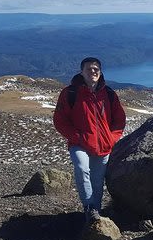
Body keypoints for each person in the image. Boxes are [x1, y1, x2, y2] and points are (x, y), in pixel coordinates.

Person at [53, 57, 126, 224]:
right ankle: (89, 208)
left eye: (96, 69)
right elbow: (60, 120)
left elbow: (119, 119)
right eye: (89, 69)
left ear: (100, 73)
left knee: (98, 181)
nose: (93, 72)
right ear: (81, 72)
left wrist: (112, 138)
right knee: (82, 168)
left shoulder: (108, 94)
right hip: (79, 143)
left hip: (103, 145)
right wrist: (76, 137)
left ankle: (95, 216)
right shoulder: (70, 93)